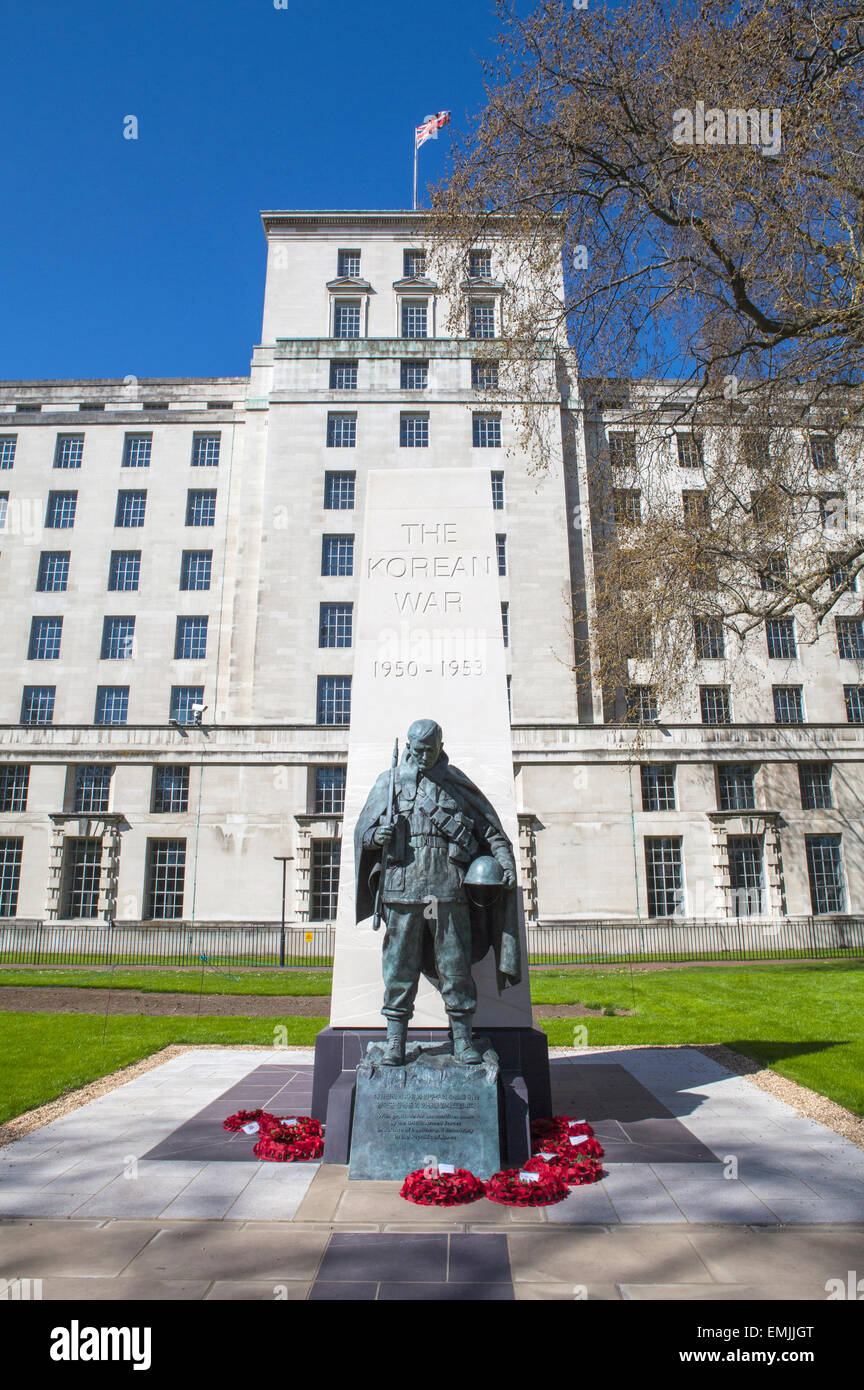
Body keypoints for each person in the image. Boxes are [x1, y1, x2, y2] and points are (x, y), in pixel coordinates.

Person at [354, 718, 521, 1065]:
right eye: (418, 750)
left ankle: (462, 1041)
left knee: (455, 967)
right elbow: (363, 832)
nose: (424, 756)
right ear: (410, 749)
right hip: (402, 889)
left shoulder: (457, 785)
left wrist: (505, 865)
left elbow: (491, 832)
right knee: (399, 968)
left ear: (441, 746)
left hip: (447, 890)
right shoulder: (390, 784)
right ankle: (395, 1041)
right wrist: (375, 837)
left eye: (430, 749)